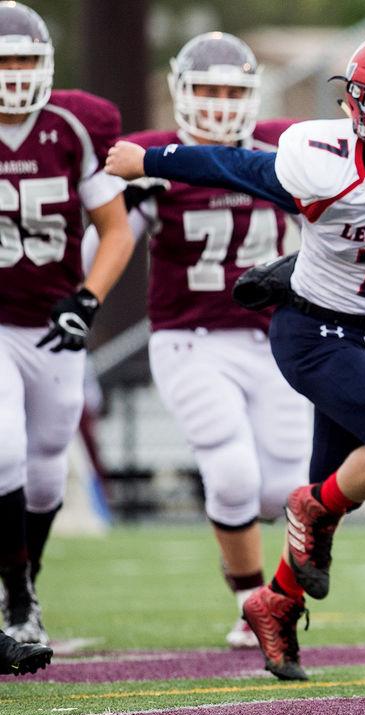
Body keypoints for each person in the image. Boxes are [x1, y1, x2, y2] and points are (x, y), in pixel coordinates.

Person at [106, 29, 365, 679]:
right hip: (312, 333)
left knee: (326, 510)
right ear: (356, 105)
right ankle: (307, 511)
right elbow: (236, 167)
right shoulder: (320, 159)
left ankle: (273, 605)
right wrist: (151, 161)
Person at [82, 32, 312, 649]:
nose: (217, 104)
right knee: (232, 472)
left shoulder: (283, 148)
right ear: (181, 94)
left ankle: (268, 590)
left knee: (281, 492)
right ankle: (250, 604)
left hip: (277, 341)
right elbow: (107, 237)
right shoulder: (152, 156)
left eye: (230, 91)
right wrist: (79, 297)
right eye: (205, 90)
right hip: (192, 336)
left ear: (253, 94)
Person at [0, 1, 134, 645]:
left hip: (52, 322)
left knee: (49, 464)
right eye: (3, 60)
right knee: (4, 452)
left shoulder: (73, 128)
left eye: (25, 59)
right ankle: (19, 597)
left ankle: (25, 583)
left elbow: (115, 231)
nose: (15, 73)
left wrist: (86, 300)